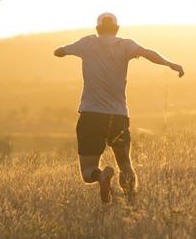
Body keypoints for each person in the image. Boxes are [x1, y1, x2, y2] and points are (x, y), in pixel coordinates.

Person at [54, 12, 184, 204]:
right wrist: (169, 63)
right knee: (125, 163)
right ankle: (131, 202)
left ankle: (101, 177)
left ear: (97, 28)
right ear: (117, 28)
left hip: (91, 116)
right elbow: (148, 53)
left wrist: (62, 50)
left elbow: (59, 51)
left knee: (88, 169)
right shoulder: (126, 45)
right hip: (118, 116)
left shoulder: (87, 43)